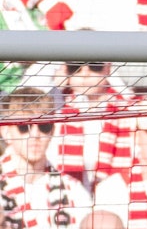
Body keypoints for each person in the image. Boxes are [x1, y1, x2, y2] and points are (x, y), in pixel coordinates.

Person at [0, 107, 92, 229]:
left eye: (44, 126)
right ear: (6, 132)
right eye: (23, 126)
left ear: (53, 130)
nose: (35, 135)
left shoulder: (74, 190)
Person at [53, 60, 136, 188]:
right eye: (75, 66)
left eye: (94, 65)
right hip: (70, 193)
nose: (85, 74)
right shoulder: (59, 105)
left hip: (113, 191)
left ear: (108, 68)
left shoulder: (126, 108)